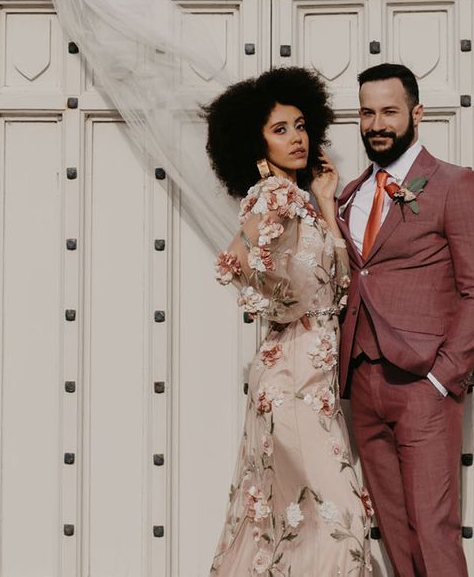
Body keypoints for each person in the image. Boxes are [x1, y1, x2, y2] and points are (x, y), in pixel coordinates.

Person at [337, 63, 474, 577]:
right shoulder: (349, 193)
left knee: (434, 529)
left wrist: (443, 377)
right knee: (393, 529)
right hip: (363, 381)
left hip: (424, 385)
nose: (376, 123)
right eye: (367, 112)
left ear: (417, 113)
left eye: (389, 111)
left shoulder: (455, 184)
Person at [205, 67, 373, 576]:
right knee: (338, 520)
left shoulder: (301, 201)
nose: (297, 137)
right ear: (256, 143)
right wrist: (288, 303)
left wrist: (324, 200)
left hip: (312, 381)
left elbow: (332, 286)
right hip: (293, 381)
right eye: (280, 129)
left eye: (301, 125)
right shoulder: (273, 197)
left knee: (296, 525)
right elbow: (243, 268)